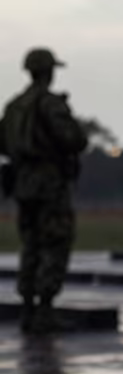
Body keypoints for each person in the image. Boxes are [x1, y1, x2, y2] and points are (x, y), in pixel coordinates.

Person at [0, 49, 88, 333]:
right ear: (48, 72)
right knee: (55, 242)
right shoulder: (50, 104)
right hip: (49, 182)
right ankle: (45, 308)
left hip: (23, 183)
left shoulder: (13, 107)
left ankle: (28, 308)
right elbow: (74, 139)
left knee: (31, 244)